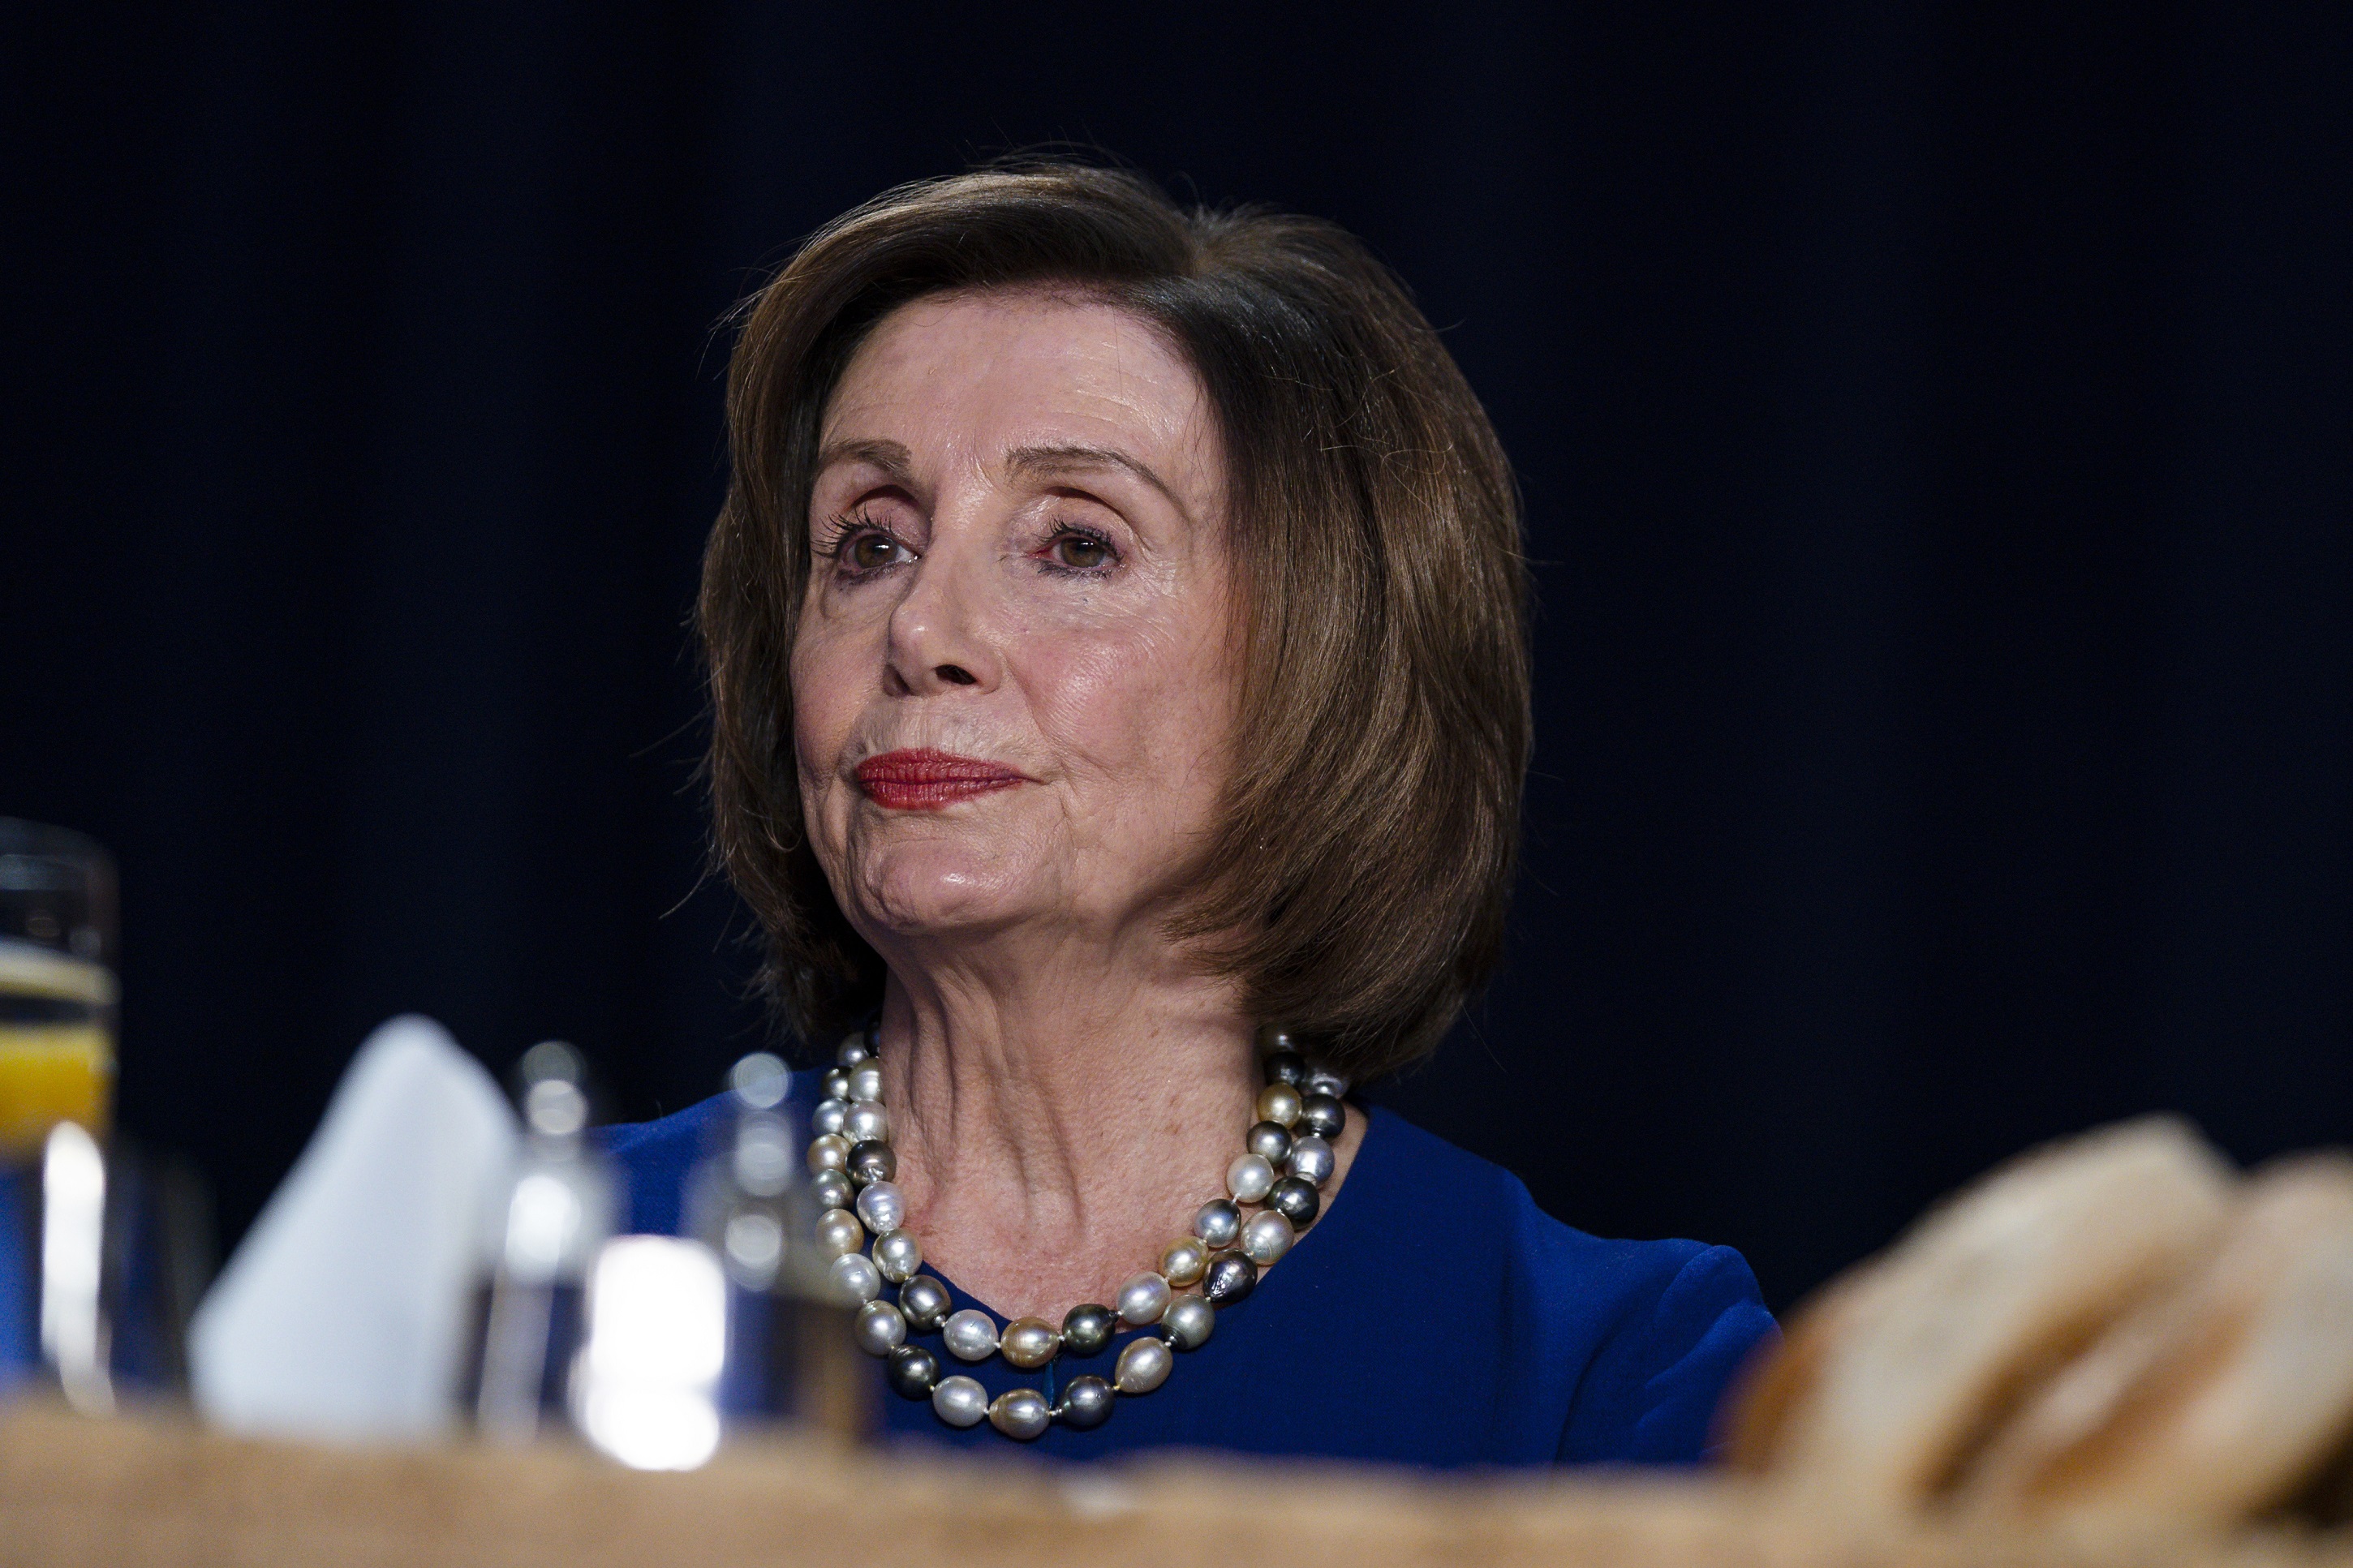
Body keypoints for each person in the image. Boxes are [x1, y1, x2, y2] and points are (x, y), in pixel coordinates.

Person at [604, 161, 1774, 1464]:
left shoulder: (1605, 1377)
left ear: (1320, 665)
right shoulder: (551, 1257)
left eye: (1077, 544)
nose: (923, 629)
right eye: (869, 543)